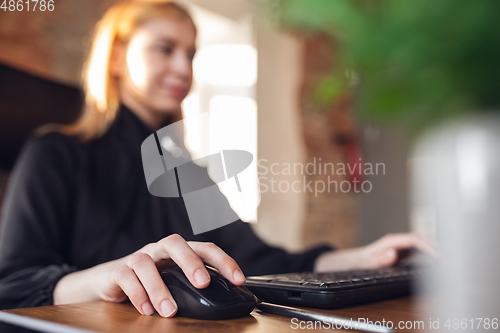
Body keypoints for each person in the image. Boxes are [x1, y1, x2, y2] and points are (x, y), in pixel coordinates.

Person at [0, 0, 437, 318]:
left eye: (191, 54)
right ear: (116, 55)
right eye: (165, 48)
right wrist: (102, 279)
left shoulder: (188, 173)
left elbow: (257, 259)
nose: (183, 69)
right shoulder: (55, 153)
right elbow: (13, 284)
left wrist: (363, 257)